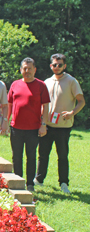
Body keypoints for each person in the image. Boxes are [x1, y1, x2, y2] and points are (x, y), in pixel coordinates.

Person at [35, 53, 85, 194]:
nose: (57, 67)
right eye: (54, 65)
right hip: (47, 125)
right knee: (43, 154)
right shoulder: (46, 82)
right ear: (51, 66)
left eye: (60, 65)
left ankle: (63, 183)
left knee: (62, 155)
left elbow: (81, 101)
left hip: (63, 126)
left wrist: (72, 113)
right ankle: (39, 180)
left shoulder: (71, 81)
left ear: (65, 66)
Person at [7, 57, 50, 192]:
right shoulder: (15, 84)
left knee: (31, 156)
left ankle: (30, 183)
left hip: (33, 128)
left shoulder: (41, 85)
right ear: (21, 70)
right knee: (16, 155)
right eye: (24, 68)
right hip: (16, 128)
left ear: (34, 70)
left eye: (30, 68)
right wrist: (5, 121)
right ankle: (18, 180)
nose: (27, 71)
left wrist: (44, 124)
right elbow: (9, 104)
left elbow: (46, 106)